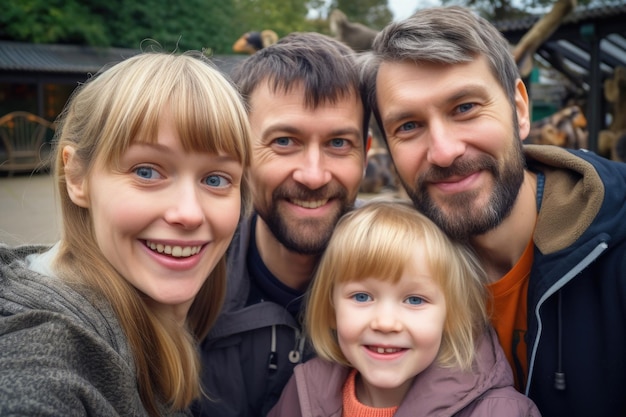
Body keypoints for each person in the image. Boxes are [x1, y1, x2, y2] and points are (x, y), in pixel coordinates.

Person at [362, 6, 626, 417]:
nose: (445, 151)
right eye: (409, 126)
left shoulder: (616, 246)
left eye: (465, 107)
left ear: (520, 110)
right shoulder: (383, 276)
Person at [0, 51, 252, 416]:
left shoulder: (166, 310)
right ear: (77, 178)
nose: (189, 213)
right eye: (147, 171)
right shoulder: (42, 350)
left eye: (215, 179)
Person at [193, 32, 370, 417]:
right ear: (240, 150)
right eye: (285, 141)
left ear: (366, 154)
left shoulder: (416, 273)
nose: (313, 175)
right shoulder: (185, 275)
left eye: (339, 143)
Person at [268, 199, 541, 416]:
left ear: (451, 316)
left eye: (414, 300)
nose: (386, 323)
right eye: (362, 297)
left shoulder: (498, 411)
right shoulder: (303, 394)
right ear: (330, 310)